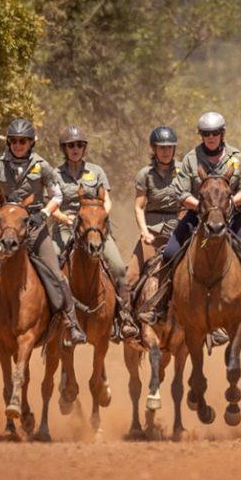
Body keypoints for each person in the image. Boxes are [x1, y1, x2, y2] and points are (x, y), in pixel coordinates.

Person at [0, 119, 87, 345]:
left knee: (56, 273)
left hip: (34, 229)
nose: (18, 145)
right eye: (14, 141)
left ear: (30, 143)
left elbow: (57, 196)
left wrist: (43, 214)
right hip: (7, 230)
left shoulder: (42, 165)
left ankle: (72, 323)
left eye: (22, 141)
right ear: (9, 143)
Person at [138, 111, 241, 330]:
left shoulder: (236, 158)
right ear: (201, 135)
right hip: (197, 216)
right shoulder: (191, 158)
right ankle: (160, 307)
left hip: (231, 217)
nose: (211, 137)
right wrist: (204, 208)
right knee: (170, 253)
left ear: (222, 134)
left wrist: (226, 206)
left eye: (215, 133)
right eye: (207, 133)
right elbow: (180, 193)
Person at [49, 125, 139, 341]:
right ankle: (50, 317)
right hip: (66, 226)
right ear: (64, 148)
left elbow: (106, 199)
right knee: (50, 267)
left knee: (118, 267)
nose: (75, 149)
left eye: (79, 145)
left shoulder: (96, 171)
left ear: (84, 148)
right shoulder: (55, 174)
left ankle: (123, 318)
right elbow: (52, 204)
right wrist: (64, 218)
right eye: (71, 145)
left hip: (95, 227)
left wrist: (100, 217)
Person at [126, 126, 182, 289]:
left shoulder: (183, 171)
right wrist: (145, 233)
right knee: (131, 277)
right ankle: (127, 313)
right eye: (162, 147)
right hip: (152, 233)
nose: (166, 151)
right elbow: (139, 207)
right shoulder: (145, 174)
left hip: (178, 231)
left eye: (170, 147)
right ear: (154, 149)